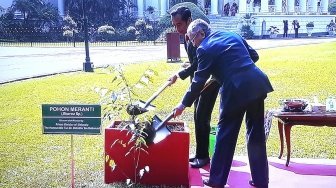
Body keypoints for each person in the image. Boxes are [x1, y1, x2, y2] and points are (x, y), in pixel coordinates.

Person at [173, 19, 273, 187]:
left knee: (225, 135)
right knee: (256, 135)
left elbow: (198, 82)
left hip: (235, 91)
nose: (193, 44)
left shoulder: (204, 48)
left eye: (192, 39)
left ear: (201, 34)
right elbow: (254, 56)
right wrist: (234, 69)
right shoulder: (232, 34)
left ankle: (216, 180)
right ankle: (261, 180)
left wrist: (182, 105)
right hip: (257, 84)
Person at [169, 6, 221, 168]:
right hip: (198, 80)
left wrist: (179, 74)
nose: (177, 29)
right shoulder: (187, 37)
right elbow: (194, 63)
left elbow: (199, 64)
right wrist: (184, 70)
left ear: (189, 21)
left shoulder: (197, 36)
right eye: (175, 25)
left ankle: (203, 156)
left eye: (179, 24)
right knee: (198, 117)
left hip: (209, 82)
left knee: (202, 117)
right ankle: (200, 153)